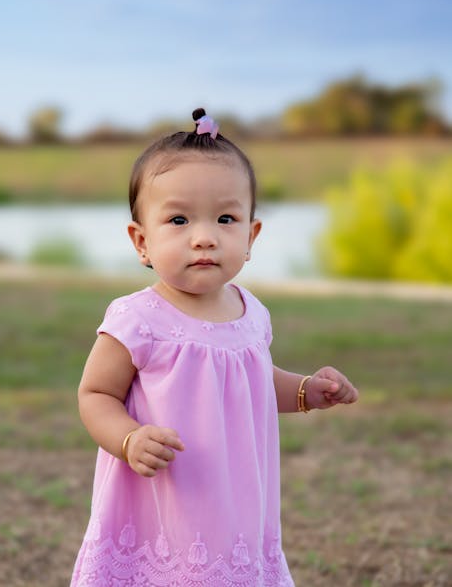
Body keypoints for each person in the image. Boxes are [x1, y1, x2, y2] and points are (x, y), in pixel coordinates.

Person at [70, 108, 358, 587]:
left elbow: (253, 383)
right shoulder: (137, 319)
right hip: (163, 501)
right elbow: (95, 395)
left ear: (250, 236)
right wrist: (128, 438)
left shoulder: (252, 314)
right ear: (141, 241)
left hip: (235, 499)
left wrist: (307, 390)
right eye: (179, 220)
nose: (204, 237)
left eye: (226, 218)